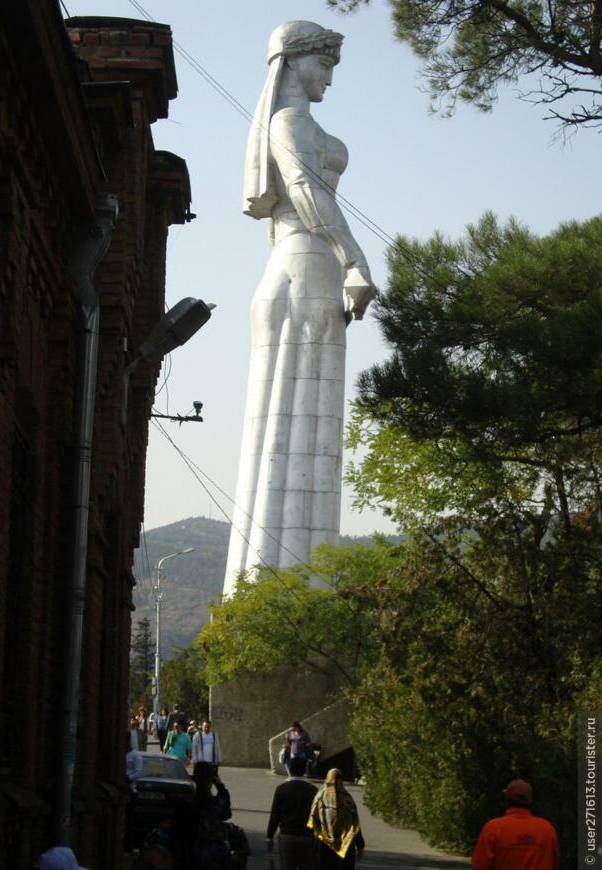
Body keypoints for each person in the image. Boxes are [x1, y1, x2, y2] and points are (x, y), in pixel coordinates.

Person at [223, 20, 377, 590]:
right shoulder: (289, 123)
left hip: (308, 268)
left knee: (308, 436)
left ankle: (296, 589)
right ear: (293, 62)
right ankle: (282, 592)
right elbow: (308, 191)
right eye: (325, 67)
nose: (329, 81)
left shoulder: (298, 122)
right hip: (305, 267)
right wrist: (356, 259)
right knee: (289, 432)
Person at [472, 778, 560, 869]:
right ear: (530, 800)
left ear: (507, 799)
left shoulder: (493, 828)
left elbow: (480, 865)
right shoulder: (547, 829)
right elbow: (555, 863)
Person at [267, 755, 318, 870]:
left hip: (287, 835)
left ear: (289, 769)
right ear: (305, 770)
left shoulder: (281, 789)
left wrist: (270, 836)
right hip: (307, 837)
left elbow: (275, 815)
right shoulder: (313, 790)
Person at [308, 768, 365, 869]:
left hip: (323, 844)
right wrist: (360, 845)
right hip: (344, 845)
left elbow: (312, 821)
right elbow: (355, 823)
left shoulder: (320, 797)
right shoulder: (347, 799)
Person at [189, 761, 234, 869]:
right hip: (211, 855)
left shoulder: (188, 800)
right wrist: (220, 786)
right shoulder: (213, 804)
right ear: (210, 780)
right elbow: (226, 813)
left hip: (191, 854)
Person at [125, 731, 144, 853]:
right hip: (122, 789)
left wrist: (128, 778)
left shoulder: (135, 755)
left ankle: (129, 845)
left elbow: (138, 772)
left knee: (129, 820)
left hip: (131, 790)